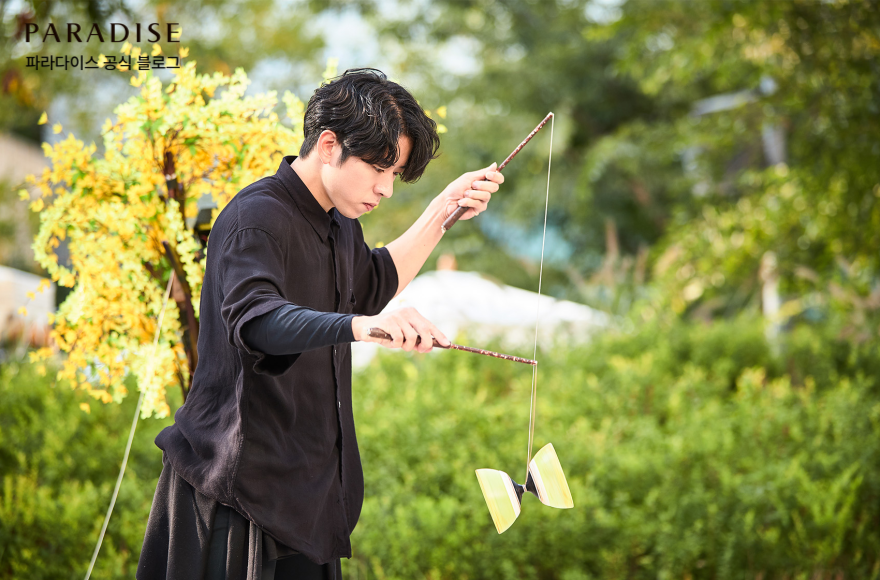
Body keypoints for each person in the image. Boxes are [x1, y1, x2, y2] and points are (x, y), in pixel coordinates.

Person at [136, 68, 504, 579]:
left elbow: (374, 283)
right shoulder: (256, 218)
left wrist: (445, 208)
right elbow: (258, 322)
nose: (386, 189)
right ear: (329, 145)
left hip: (310, 499)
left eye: (394, 173)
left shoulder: (340, 223)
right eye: (378, 168)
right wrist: (360, 326)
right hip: (239, 497)